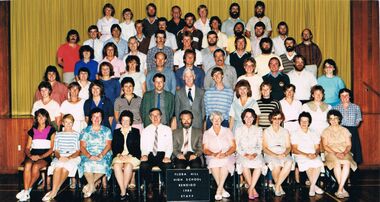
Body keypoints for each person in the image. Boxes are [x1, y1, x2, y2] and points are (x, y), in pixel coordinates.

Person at [16, 109, 56, 202]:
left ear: (46, 118)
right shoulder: (32, 130)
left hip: (44, 156)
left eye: (43, 116)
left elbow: (51, 149)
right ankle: (26, 192)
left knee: (36, 166)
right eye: (39, 116)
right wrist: (30, 155)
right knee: (28, 165)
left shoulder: (51, 129)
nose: (41, 118)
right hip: (33, 155)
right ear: (36, 118)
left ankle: (27, 190)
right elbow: (27, 148)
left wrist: (40, 157)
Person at [42, 114, 80, 201]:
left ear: (73, 124)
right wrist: (59, 157)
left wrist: (69, 158)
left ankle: (54, 190)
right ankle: (54, 191)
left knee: (65, 168)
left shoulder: (77, 135)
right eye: (66, 122)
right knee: (57, 168)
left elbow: (78, 151)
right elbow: (56, 151)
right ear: (63, 123)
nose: (68, 124)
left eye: (70, 123)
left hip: (73, 157)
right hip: (61, 157)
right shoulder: (58, 135)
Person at [321, 110, 357, 199]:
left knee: (347, 162)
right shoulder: (325, 131)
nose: (333, 121)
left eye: (335, 118)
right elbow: (325, 146)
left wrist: (344, 152)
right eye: (331, 119)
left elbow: (349, 145)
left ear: (339, 119)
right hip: (331, 152)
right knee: (336, 162)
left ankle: (340, 189)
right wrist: (336, 153)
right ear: (328, 120)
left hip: (344, 151)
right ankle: (342, 189)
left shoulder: (345, 130)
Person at [79, 108, 112, 198]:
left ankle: (88, 186)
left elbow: (108, 146)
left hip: (104, 153)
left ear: (102, 118)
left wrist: (101, 155)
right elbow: (82, 147)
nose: (97, 119)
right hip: (88, 153)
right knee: (86, 164)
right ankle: (92, 187)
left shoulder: (107, 130)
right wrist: (89, 156)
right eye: (94, 116)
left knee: (103, 164)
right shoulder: (85, 131)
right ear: (91, 118)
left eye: (99, 116)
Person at [140, 108, 173, 199]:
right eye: (153, 115)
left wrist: (167, 156)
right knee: (144, 166)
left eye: (157, 115)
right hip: (149, 154)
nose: (155, 117)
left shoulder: (167, 129)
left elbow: (169, 145)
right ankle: (149, 186)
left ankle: (166, 187)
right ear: (150, 117)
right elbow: (143, 146)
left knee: (168, 166)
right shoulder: (145, 130)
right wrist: (144, 155)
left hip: (162, 154)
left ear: (161, 117)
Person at [203, 111, 236, 200]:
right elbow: (205, 149)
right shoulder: (207, 133)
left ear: (221, 120)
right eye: (214, 119)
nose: (216, 121)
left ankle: (219, 190)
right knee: (213, 162)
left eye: (218, 119)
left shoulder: (227, 131)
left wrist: (225, 154)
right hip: (212, 155)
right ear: (211, 120)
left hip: (227, 155)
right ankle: (222, 189)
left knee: (225, 162)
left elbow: (233, 147)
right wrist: (214, 154)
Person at [291, 112, 324, 196]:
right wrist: (306, 155)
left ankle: (312, 186)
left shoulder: (314, 132)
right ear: (299, 121)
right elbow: (294, 149)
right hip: (300, 155)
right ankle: (314, 187)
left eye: (306, 121)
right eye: (302, 121)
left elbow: (317, 148)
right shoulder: (295, 133)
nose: (304, 123)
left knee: (318, 163)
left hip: (313, 154)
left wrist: (315, 154)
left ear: (309, 122)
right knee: (308, 163)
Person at [235, 108, 266, 200]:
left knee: (259, 165)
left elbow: (260, 145)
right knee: (244, 165)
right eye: (246, 117)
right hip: (242, 153)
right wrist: (245, 154)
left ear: (254, 119)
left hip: (255, 153)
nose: (248, 119)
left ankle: (251, 188)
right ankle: (253, 189)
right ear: (243, 118)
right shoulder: (238, 129)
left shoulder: (259, 129)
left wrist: (255, 154)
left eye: (251, 117)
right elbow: (236, 146)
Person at [111, 110, 141, 200]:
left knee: (128, 166)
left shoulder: (135, 131)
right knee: (116, 166)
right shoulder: (116, 132)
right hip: (119, 155)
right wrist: (119, 154)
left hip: (132, 156)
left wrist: (129, 156)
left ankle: (122, 192)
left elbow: (137, 147)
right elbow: (114, 146)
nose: (125, 122)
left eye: (127, 120)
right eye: (123, 120)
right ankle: (124, 190)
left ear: (131, 121)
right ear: (120, 120)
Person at [262, 110, 293, 196]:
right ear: (271, 119)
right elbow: (264, 148)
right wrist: (275, 155)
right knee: (276, 164)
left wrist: (285, 154)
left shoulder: (285, 131)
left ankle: (277, 186)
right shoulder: (266, 131)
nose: (276, 120)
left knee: (289, 162)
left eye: (279, 118)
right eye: (274, 118)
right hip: (270, 153)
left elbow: (288, 147)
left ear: (282, 119)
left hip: (283, 153)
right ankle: (279, 187)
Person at [334, 88, 363, 164]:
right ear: (339, 97)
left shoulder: (356, 107)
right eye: (342, 95)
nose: (344, 97)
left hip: (352, 131)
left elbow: (358, 121)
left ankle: (352, 172)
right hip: (340, 132)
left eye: (346, 95)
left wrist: (351, 128)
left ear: (350, 96)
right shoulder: (336, 108)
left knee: (353, 152)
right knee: (343, 152)